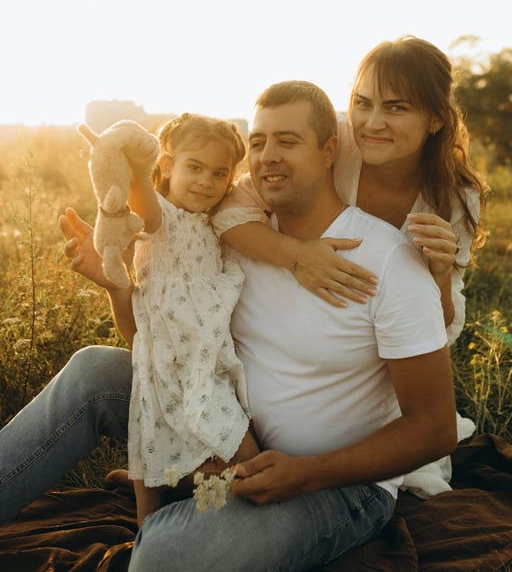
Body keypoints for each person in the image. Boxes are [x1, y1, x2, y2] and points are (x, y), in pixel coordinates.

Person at [0, 79, 457, 570]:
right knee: (94, 370)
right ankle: (185, 485)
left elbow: (434, 429)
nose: (267, 156)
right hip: (220, 423)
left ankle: (182, 502)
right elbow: (161, 346)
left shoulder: (390, 261)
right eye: (258, 142)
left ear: (329, 151)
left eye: (287, 140)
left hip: (337, 486)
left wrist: (307, 473)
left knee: (166, 555)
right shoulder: (237, 237)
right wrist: (117, 287)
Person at [214, 36, 488, 351]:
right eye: (363, 103)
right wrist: (297, 256)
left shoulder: (455, 197)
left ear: (435, 119)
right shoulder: (337, 145)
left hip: (384, 351)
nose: (372, 124)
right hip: (309, 333)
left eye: (395, 108)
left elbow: (438, 325)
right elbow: (229, 210)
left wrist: (440, 275)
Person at [84, 113, 259, 525]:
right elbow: (143, 198)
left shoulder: (212, 225)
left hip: (203, 361)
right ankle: (147, 528)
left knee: (163, 437)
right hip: (169, 361)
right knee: (237, 454)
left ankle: (159, 486)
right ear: (167, 167)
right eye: (194, 168)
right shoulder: (162, 220)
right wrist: (140, 171)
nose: (205, 182)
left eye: (219, 173)